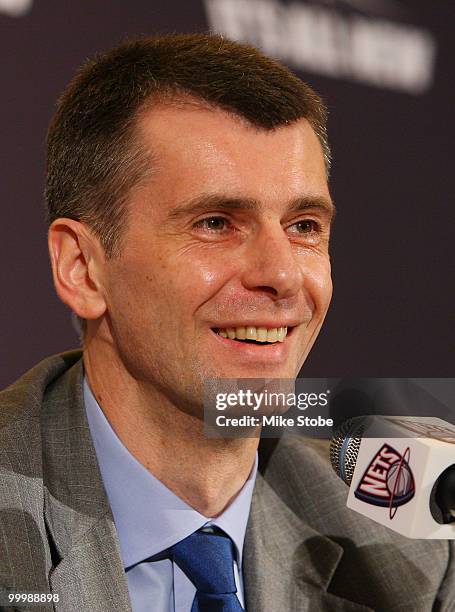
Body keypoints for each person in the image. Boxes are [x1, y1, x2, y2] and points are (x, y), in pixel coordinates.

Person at [0, 34, 453, 612]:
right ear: (83, 268)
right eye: (216, 223)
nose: (283, 275)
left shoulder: (409, 541)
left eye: (305, 226)